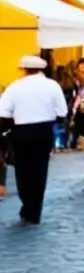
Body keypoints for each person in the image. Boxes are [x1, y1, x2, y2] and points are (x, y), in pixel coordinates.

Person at [0, 56, 68, 225]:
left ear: (23, 69)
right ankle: (34, 209)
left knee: (22, 169)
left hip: (21, 130)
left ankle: (27, 204)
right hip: (44, 130)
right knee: (40, 169)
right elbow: (62, 112)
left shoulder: (15, 87)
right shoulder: (53, 86)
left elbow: (4, 112)